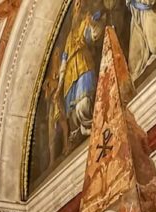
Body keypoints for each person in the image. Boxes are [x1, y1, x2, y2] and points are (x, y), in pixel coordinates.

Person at [58, 2, 104, 140]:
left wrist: (91, 24)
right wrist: (59, 86)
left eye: (79, 4)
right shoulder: (69, 37)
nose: (77, 7)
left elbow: (94, 36)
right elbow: (64, 62)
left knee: (84, 103)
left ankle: (93, 124)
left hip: (83, 63)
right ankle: (83, 128)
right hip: (70, 77)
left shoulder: (86, 21)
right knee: (73, 113)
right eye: (75, 6)